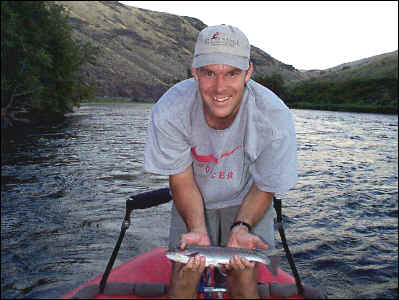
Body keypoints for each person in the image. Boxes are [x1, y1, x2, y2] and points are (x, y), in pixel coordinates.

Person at [144, 24, 298, 298]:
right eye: (209, 73)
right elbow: (180, 178)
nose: (219, 87)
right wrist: (197, 228)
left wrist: (242, 227)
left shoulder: (274, 118)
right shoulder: (170, 110)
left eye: (232, 73)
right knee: (183, 275)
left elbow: (264, 185)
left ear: (248, 72)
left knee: (243, 276)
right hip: (192, 193)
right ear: (194, 71)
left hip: (246, 196)